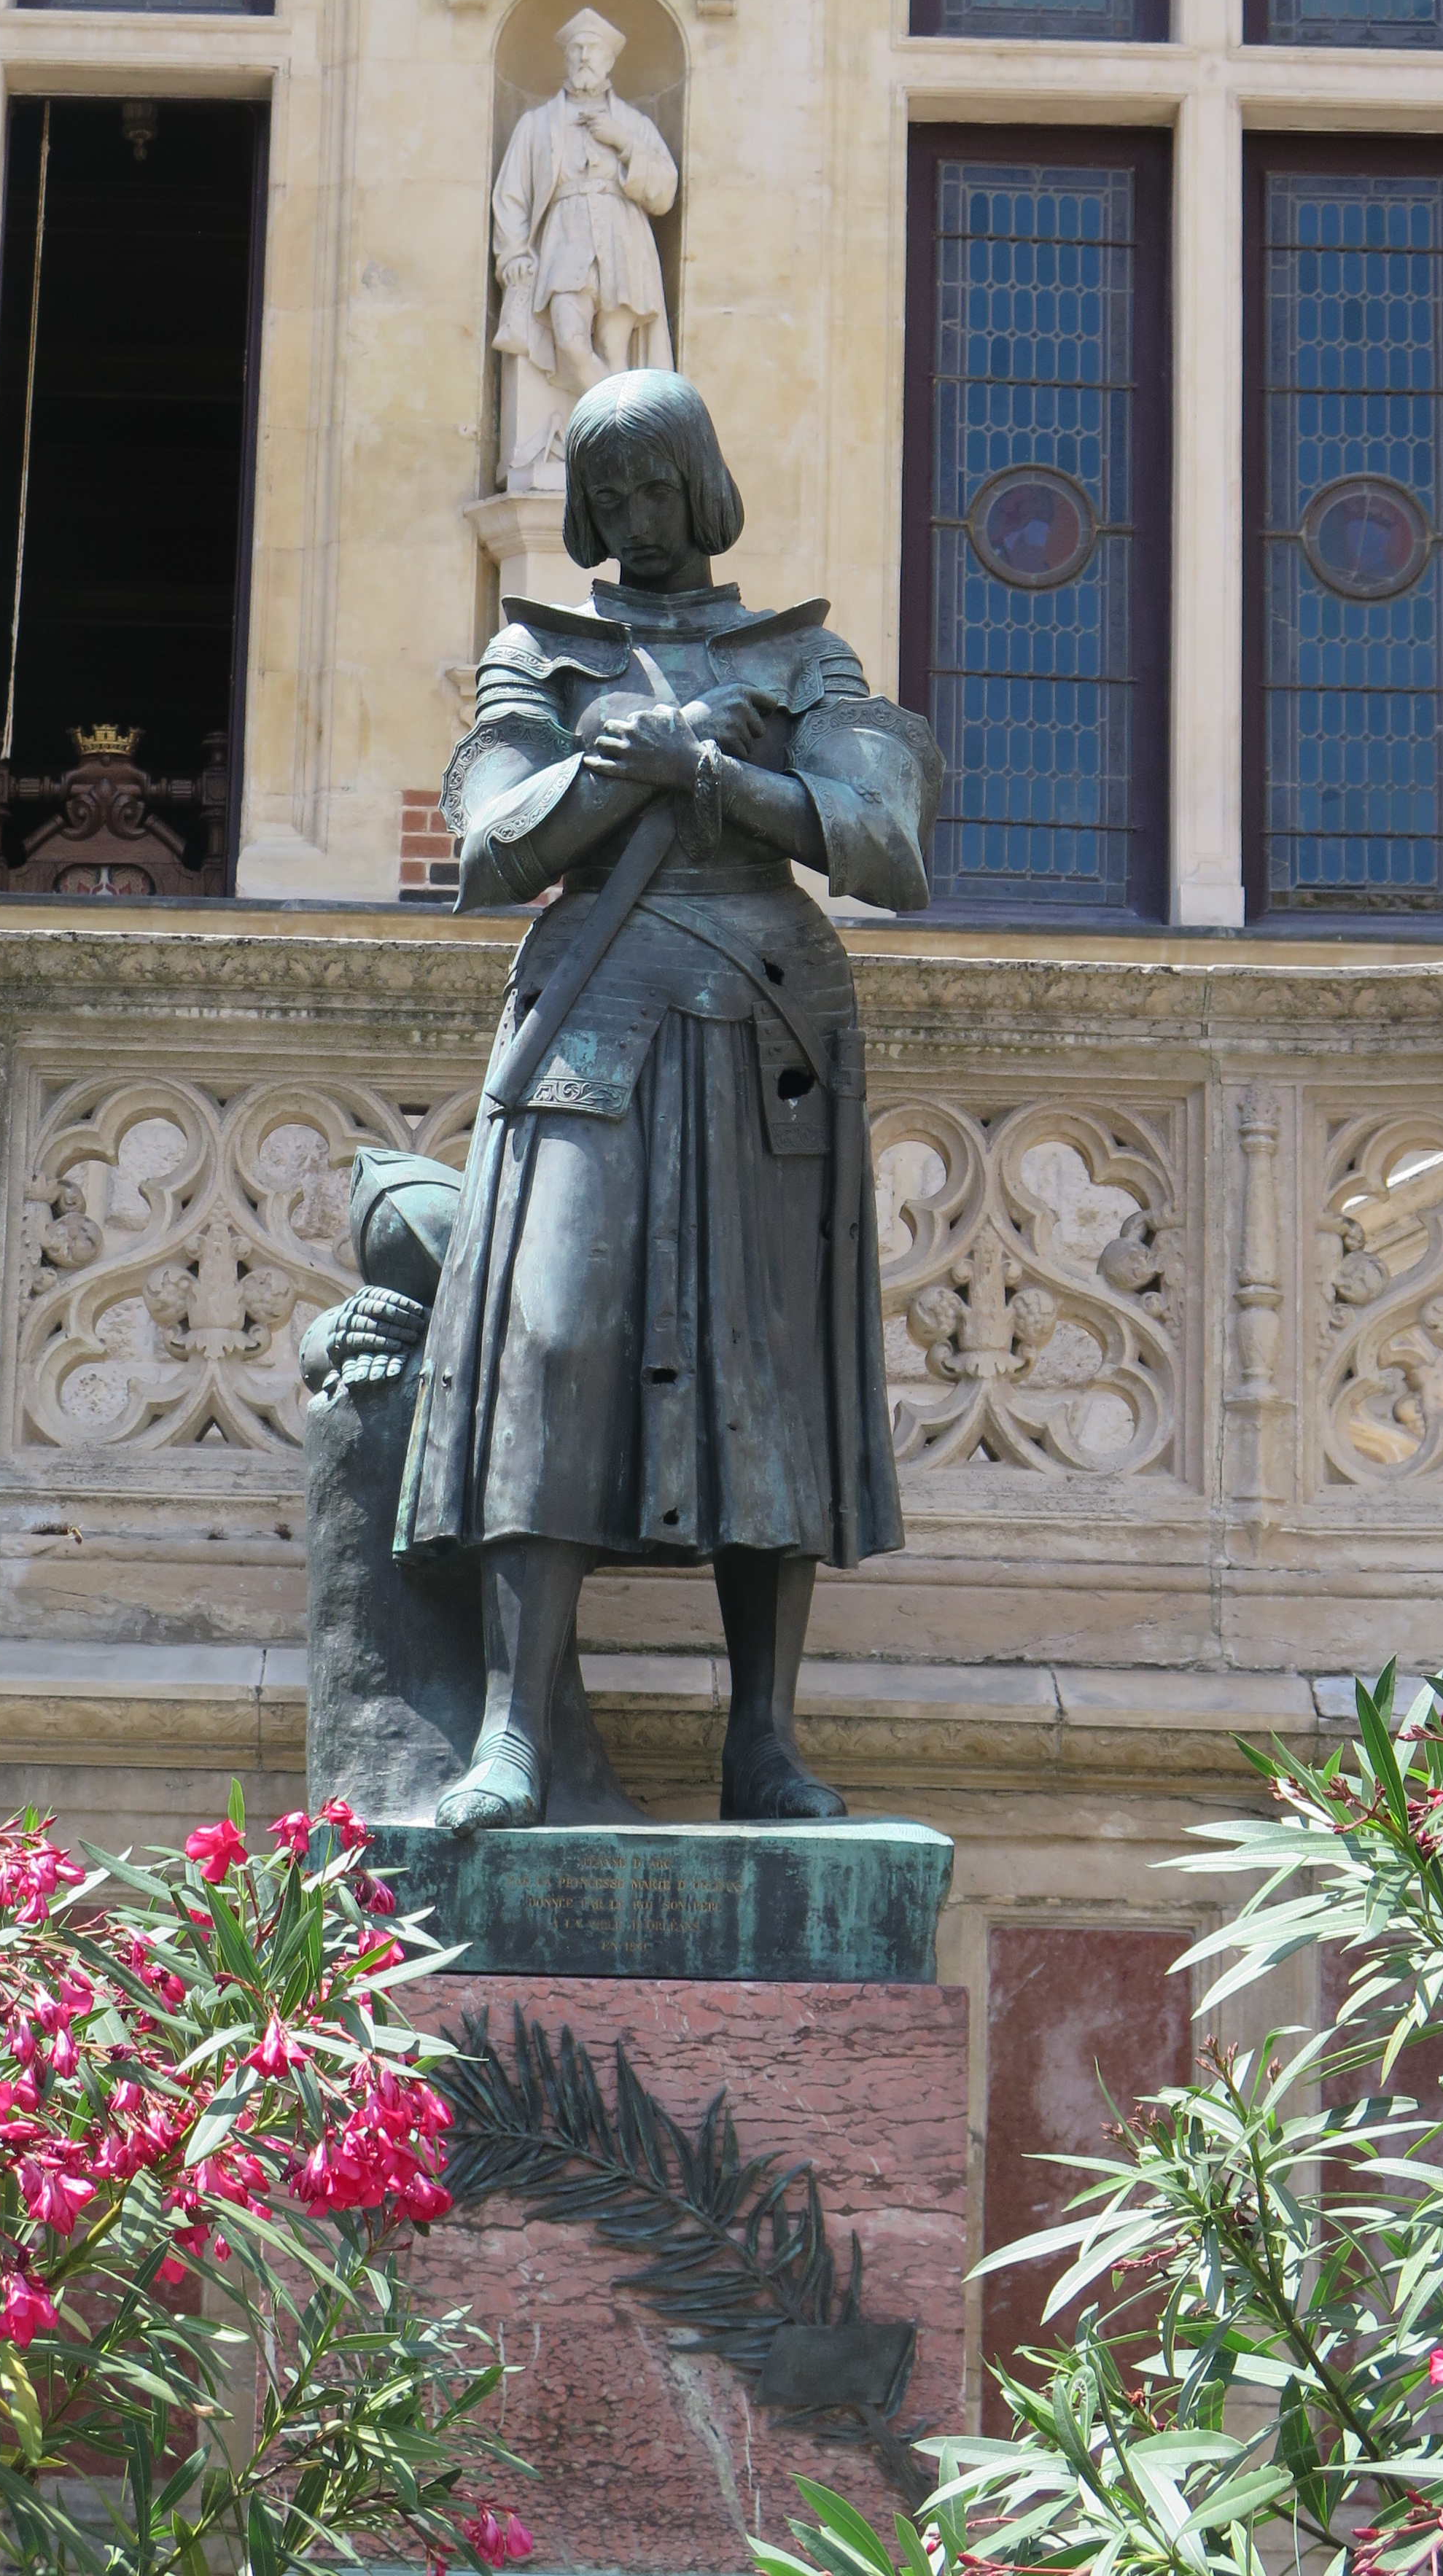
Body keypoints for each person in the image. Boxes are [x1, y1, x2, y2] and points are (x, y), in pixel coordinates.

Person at [394, 371, 942, 1833]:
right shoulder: (539, 652)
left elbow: (884, 840)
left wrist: (708, 770)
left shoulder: (803, 656)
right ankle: (514, 1730)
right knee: (553, 1339)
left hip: (766, 1020)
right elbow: (491, 845)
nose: (636, 518)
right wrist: (614, 767)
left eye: (655, 487)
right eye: (609, 495)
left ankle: (761, 1739)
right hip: (593, 1018)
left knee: (766, 1367)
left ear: (702, 487)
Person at [491, 7, 677, 400]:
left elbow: (664, 191)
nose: (584, 56)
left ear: (610, 61)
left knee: (614, 350)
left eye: (593, 49)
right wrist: (514, 254)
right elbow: (512, 196)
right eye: (576, 49)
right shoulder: (538, 124)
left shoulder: (635, 125)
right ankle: (623, 419)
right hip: (564, 241)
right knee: (571, 343)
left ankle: (614, 431)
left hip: (623, 242)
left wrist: (623, 142)